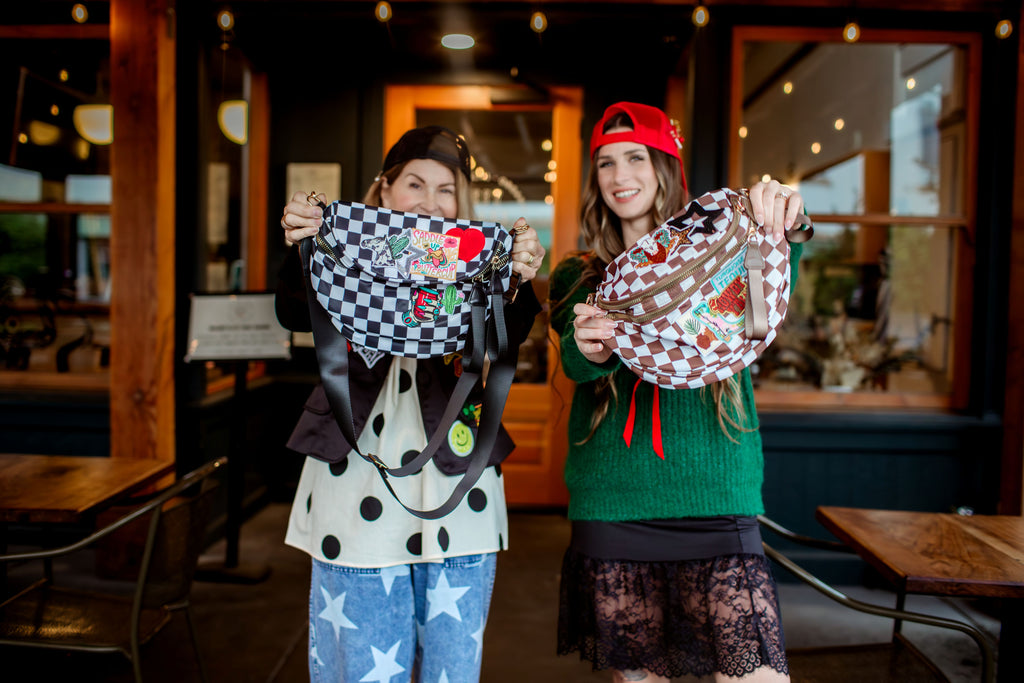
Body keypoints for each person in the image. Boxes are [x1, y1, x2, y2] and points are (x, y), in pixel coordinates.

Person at [276, 125, 545, 683]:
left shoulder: (478, 259)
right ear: (383, 191)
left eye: (446, 189)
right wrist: (303, 242)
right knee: (360, 660)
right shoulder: (346, 248)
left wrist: (519, 278)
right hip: (355, 473)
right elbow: (293, 311)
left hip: (454, 474)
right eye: (415, 184)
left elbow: (507, 335)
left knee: (452, 663)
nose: (429, 201)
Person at [549, 101, 805, 683]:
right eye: (606, 164)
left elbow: (785, 250)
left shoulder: (728, 244)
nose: (619, 177)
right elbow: (574, 360)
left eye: (635, 158)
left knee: (758, 676)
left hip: (717, 493)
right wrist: (588, 347)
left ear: (665, 167)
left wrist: (785, 208)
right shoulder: (578, 274)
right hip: (615, 500)